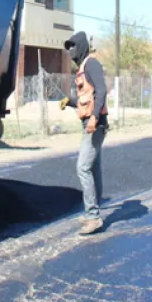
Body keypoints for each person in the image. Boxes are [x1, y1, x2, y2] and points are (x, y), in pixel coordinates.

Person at [60, 31, 108, 235]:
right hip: (89, 122)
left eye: (73, 46)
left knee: (83, 167)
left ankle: (93, 216)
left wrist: (95, 118)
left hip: (95, 124)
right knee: (93, 167)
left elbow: (102, 91)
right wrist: (70, 101)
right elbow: (85, 98)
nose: (71, 51)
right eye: (68, 47)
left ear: (81, 46)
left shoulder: (92, 64)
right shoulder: (82, 68)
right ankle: (93, 211)